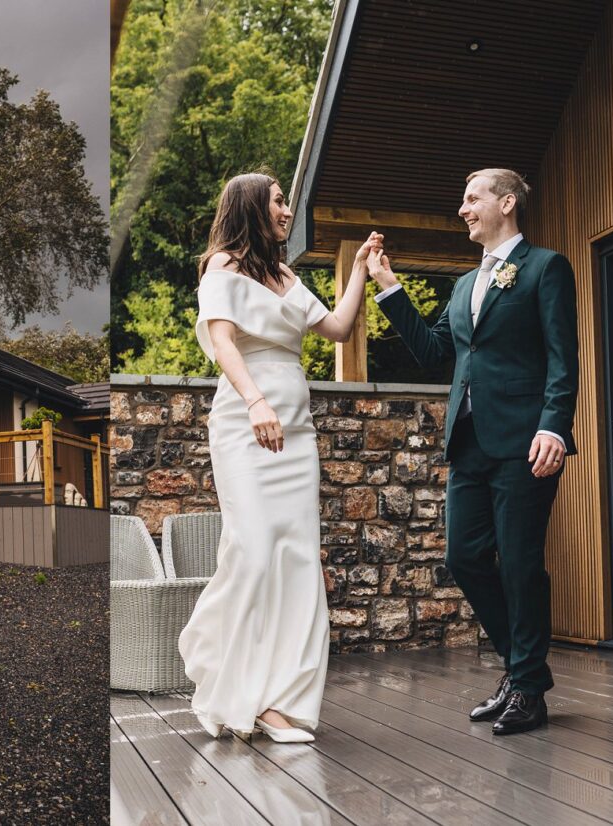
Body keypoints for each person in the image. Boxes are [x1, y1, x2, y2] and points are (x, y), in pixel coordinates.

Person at [367, 168, 578, 735]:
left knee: (521, 564)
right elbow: (434, 349)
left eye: (471, 198)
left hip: (525, 441)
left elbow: (563, 357)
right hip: (467, 443)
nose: (462, 209)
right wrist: (388, 286)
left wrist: (554, 428)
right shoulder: (464, 286)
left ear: (506, 203)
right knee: (463, 557)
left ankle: (526, 688)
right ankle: (524, 671)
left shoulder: (546, 267)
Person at [179, 171, 376, 742]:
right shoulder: (222, 267)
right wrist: (256, 401)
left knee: (298, 559)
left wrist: (359, 270)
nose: (288, 211)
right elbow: (222, 342)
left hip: (297, 431)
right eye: (278, 202)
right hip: (245, 422)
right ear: (250, 208)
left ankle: (278, 702)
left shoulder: (287, 276)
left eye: (286, 201)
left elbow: (338, 328)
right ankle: (232, 681)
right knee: (256, 551)